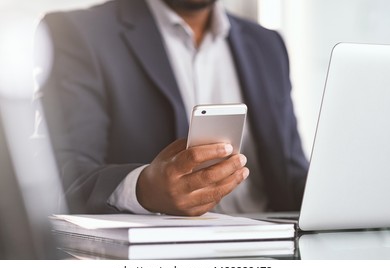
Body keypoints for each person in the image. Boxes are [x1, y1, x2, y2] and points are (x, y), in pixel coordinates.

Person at [40, 0, 308, 215]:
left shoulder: (267, 44)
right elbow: (64, 174)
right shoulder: (77, 32)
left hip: (274, 244)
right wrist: (142, 189)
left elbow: (291, 171)